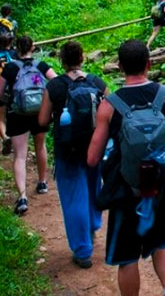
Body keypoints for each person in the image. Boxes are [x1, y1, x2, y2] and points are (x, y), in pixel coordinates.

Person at [87, 40, 165, 296]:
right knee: (162, 244)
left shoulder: (110, 105)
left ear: (119, 67)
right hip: (161, 188)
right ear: (149, 63)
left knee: (127, 258)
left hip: (126, 191)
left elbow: (93, 158)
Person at [38, 41, 108, 269]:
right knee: (92, 187)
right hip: (94, 147)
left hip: (66, 149)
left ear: (61, 60)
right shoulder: (96, 82)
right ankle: (92, 225)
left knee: (73, 196)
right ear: (83, 57)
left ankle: (82, 250)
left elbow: (42, 121)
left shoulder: (55, 86)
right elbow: (112, 109)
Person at [0, 35, 57, 215]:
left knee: (20, 156)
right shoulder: (41, 65)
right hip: (40, 111)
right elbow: (55, 82)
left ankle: (23, 196)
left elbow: (0, 92)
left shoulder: (10, 68)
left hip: (17, 113)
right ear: (32, 48)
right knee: (40, 147)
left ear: (17, 49)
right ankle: (42, 183)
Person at [0, 33, 17, 155]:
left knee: (0, 118)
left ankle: (5, 138)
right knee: (9, 117)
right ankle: (14, 139)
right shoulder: (13, 55)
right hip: (11, 90)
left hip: (0, 90)